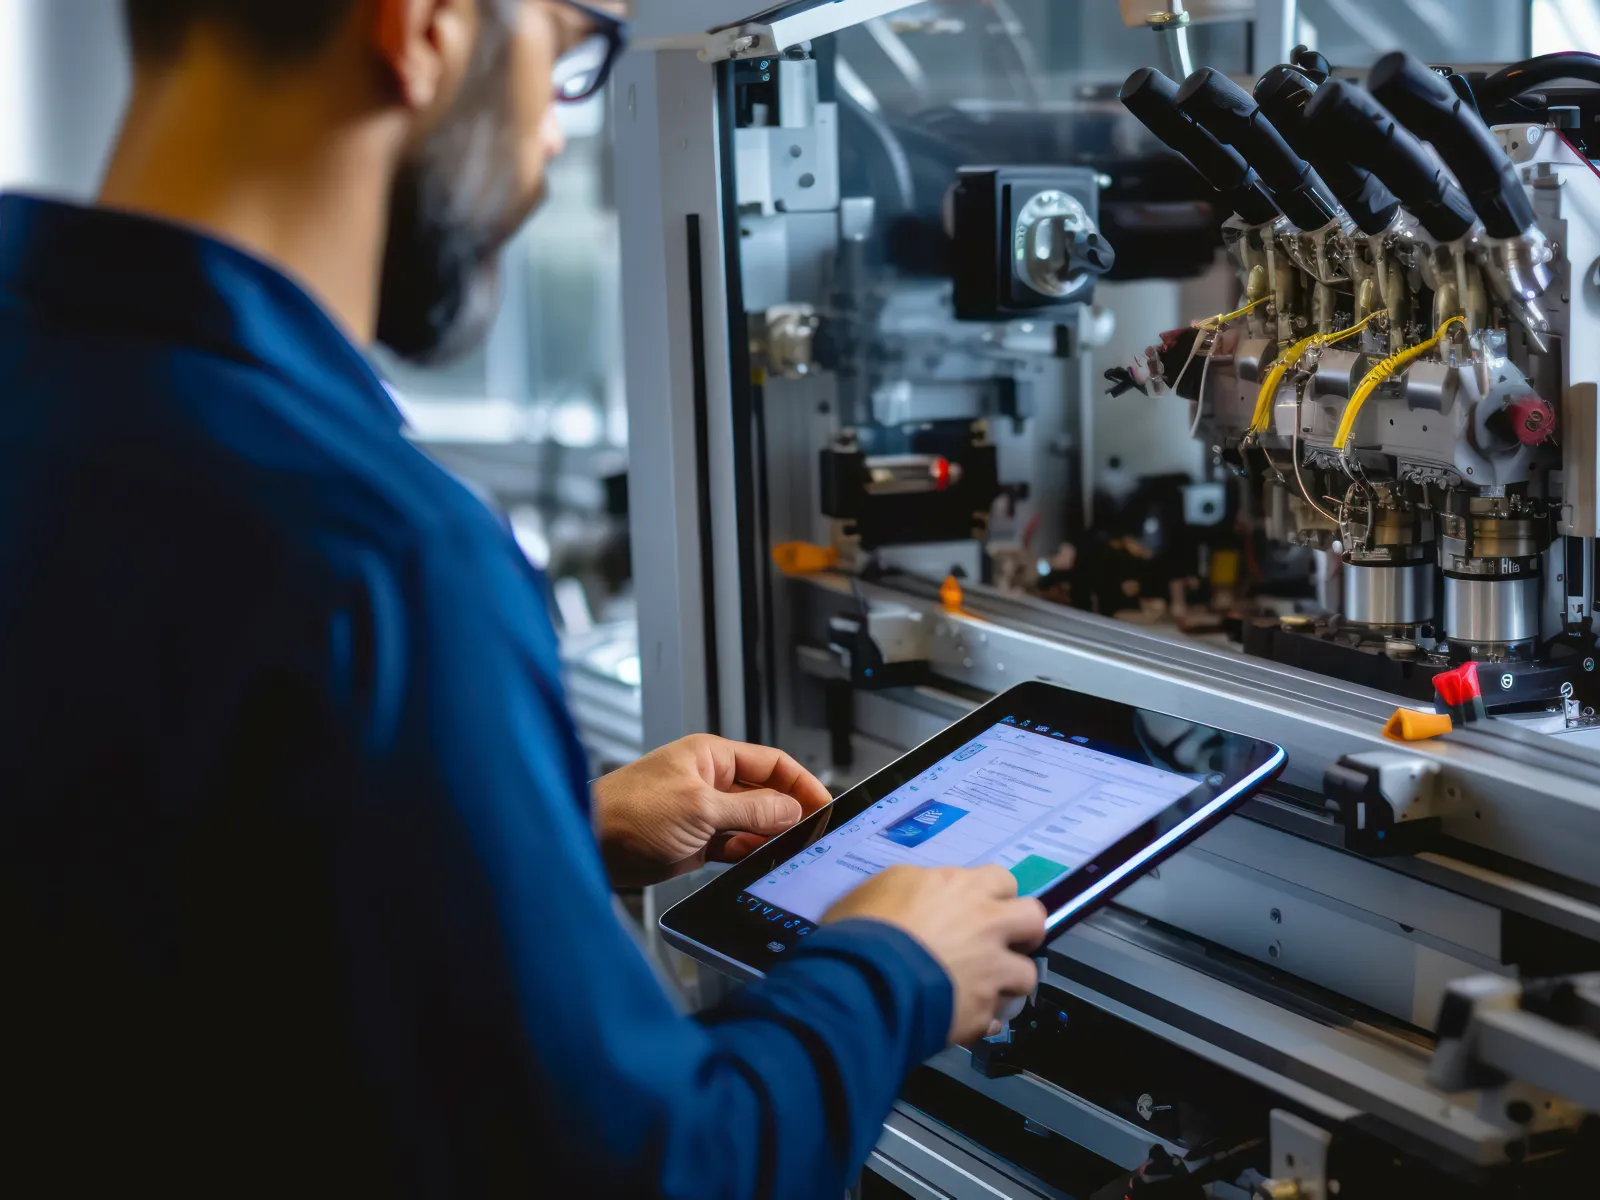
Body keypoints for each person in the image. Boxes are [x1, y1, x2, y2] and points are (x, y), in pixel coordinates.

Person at [0, 1, 1048, 1195]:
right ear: (426, 29)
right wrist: (895, 968)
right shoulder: (379, 559)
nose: (552, 143)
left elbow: (132, 874)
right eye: (565, 51)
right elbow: (660, 1174)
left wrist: (535, 830)